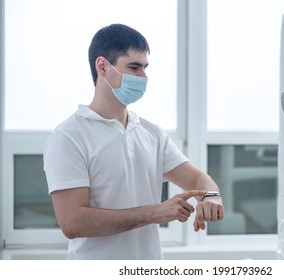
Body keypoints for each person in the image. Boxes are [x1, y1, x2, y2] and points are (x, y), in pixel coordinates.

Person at [43, 23, 224, 260]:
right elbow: (73, 222)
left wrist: (211, 196)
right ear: (103, 67)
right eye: (134, 67)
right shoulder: (69, 136)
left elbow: (198, 179)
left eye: (145, 67)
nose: (143, 76)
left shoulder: (151, 133)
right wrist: (155, 213)